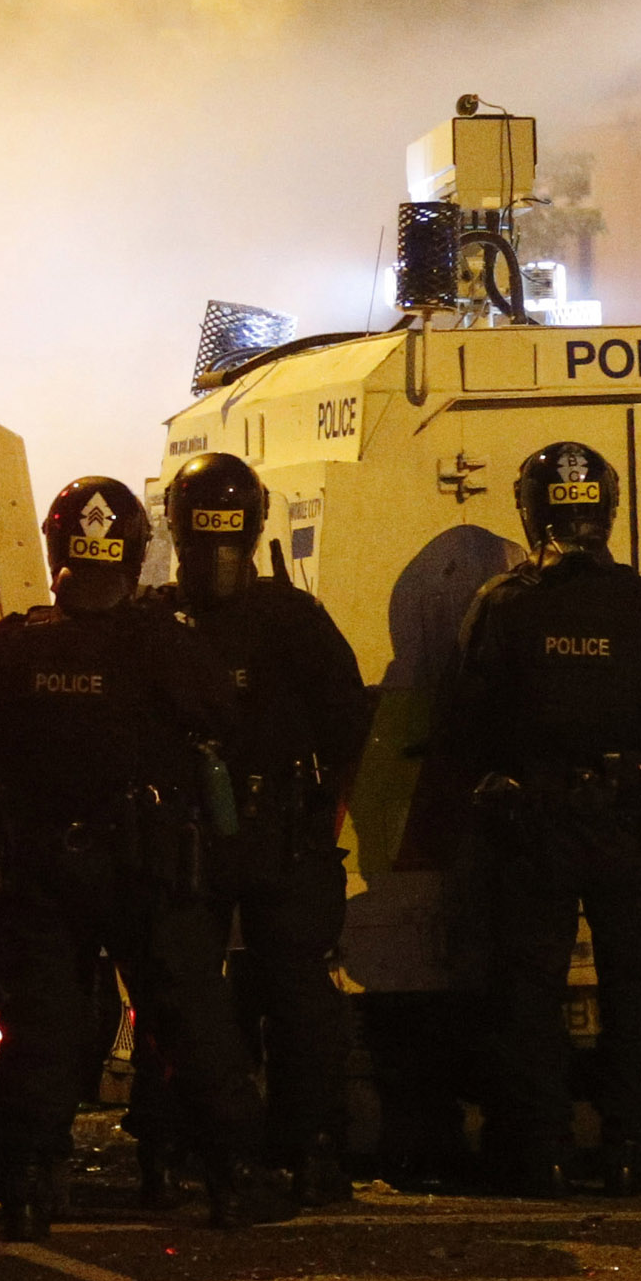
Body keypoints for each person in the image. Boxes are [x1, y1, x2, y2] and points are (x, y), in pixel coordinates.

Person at [0, 476, 251, 1236]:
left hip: (47, 867)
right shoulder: (168, 643)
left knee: (42, 1029)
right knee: (192, 1021)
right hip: (150, 868)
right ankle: (231, 1182)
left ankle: (28, 1188)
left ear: (56, 551)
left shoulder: (13, 648)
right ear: (139, 552)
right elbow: (225, 717)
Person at [428, 441, 641, 1199]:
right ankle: (632, 1152)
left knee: (529, 993)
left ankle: (541, 1152)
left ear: (530, 510)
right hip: (631, 821)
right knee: (637, 991)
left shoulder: (505, 604)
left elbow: (465, 723)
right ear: (605, 511)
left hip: (533, 825)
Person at [150, 452, 375, 1210]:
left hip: (192, 841)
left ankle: (182, 1150)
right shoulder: (295, 617)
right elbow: (349, 723)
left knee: (185, 993)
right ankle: (311, 1153)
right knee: (301, 996)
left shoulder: (155, 623)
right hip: (283, 831)